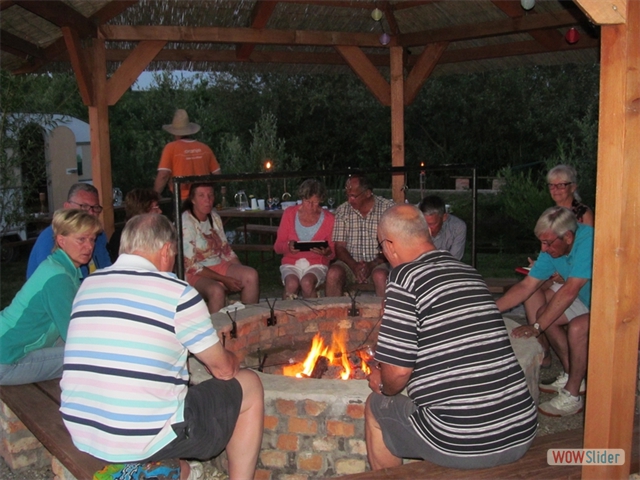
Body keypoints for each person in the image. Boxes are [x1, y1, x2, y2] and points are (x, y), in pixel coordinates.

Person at [60, 214, 264, 479]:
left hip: (83, 429)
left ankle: (176, 470)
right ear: (167, 250)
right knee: (249, 383)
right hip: (139, 438)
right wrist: (232, 358)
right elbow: (223, 371)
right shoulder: (177, 293)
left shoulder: (88, 285)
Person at [365, 204, 537, 471]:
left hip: (463, 440)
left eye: (380, 246)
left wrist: (382, 384)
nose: (383, 253)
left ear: (390, 244)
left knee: (376, 406)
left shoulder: (403, 278)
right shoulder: (468, 273)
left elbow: (397, 374)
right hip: (521, 428)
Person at [497, 206, 592, 416]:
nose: (543, 248)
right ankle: (573, 373)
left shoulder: (589, 241)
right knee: (544, 315)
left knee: (576, 328)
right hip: (587, 298)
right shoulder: (552, 247)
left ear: (567, 237)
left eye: (548, 243)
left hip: (616, 305)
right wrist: (488, 311)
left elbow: (570, 290)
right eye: (541, 241)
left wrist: (537, 327)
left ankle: (573, 395)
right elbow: (526, 286)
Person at [0, 209, 102, 385]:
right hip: (7, 361)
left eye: (92, 239)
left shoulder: (57, 267)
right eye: (81, 239)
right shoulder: (58, 278)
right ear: (61, 240)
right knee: (91, 357)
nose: (89, 246)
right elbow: (74, 336)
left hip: (8, 348)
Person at [182, 183, 259, 313]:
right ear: (192, 199)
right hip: (196, 272)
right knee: (216, 290)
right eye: (202, 195)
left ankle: (247, 322)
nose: (207, 199)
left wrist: (238, 272)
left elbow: (226, 250)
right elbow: (191, 265)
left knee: (250, 275)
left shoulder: (214, 217)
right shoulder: (186, 222)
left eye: (210, 195)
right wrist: (224, 279)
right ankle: (216, 331)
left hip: (219, 264)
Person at [325, 175, 394, 297]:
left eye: (353, 196)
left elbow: (392, 244)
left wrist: (372, 264)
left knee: (380, 276)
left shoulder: (387, 209)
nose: (350, 200)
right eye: (347, 195)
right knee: (333, 273)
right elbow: (339, 247)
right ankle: (334, 314)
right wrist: (354, 266)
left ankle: (385, 314)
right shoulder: (343, 210)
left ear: (367, 193)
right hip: (350, 263)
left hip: (379, 263)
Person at [27, 183, 111, 279]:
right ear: (67, 207)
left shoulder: (99, 236)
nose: (91, 213)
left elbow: (106, 269)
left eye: (95, 208)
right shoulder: (50, 238)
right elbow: (54, 282)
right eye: (84, 207)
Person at [274, 179, 335, 299]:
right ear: (302, 199)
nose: (311, 207)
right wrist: (288, 246)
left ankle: (313, 315)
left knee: (307, 283)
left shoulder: (329, 219)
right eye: (308, 202)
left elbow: (333, 252)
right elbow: (277, 247)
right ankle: (287, 314)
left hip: (317, 263)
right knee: (291, 284)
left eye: (315, 202)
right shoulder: (289, 214)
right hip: (291, 263)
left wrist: (327, 252)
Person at [154, 109, 221, 201]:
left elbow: (163, 174)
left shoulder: (170, 148)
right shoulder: (205, 148)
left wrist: (155, 195)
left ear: (174, 132)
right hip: (203, 199)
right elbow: (217, 174)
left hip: (181, 197)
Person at [107, 188, 162, 262]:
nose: (160, 211)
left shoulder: (158, 233)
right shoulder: (120, 238)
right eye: (156, 207)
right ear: (143, 211)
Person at [418, 195, 466, 260]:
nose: (427, 228)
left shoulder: (457, 228)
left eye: (432, 224)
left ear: (444, 217)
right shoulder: (413, 227)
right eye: (423, 223)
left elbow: (454, 260)